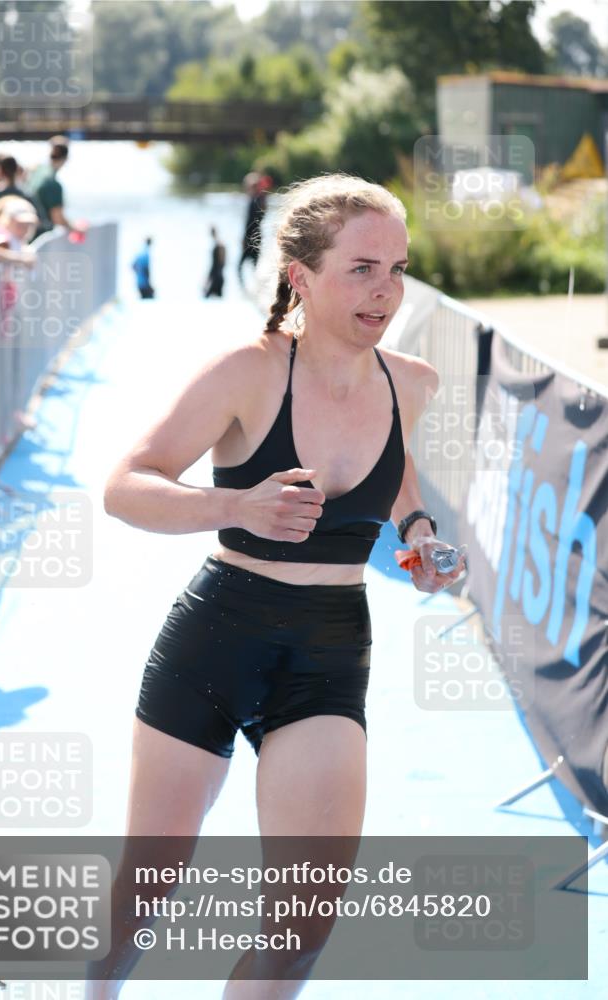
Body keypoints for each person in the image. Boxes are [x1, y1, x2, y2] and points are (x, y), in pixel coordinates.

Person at [95, 173, 466, 1000]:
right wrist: (236, 505)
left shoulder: (413, 383)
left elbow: (394, 471)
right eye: (363, 268)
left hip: (331, 652)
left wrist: (419, 534)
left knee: (300, 930)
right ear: (300, 275)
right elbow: (124, 486)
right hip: (216, 639)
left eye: (399, 269)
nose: (387, 290)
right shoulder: (247, 371)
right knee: (142, 901)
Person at [27, 135, 82, 239]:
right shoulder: (53, 184)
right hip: (40, 235)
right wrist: (75, 228)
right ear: (66, 158)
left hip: (27, 231)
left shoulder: (36, 170)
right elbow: (58, 218)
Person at [237, 170, 268, 286]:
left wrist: (244, 239)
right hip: (258, 236)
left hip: (250, 237)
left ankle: (244, 289)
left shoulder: (253, 202)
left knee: (239, 267)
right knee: (255, 266)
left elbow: (249, 223)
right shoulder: (261, 201)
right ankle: (258, 288)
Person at [204, 224, 226, 297]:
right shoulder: (220, 245)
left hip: (217, 277)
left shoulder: (219, 245)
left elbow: (217, 264)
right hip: (218, 276)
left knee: (207, 296)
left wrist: (209, 278)